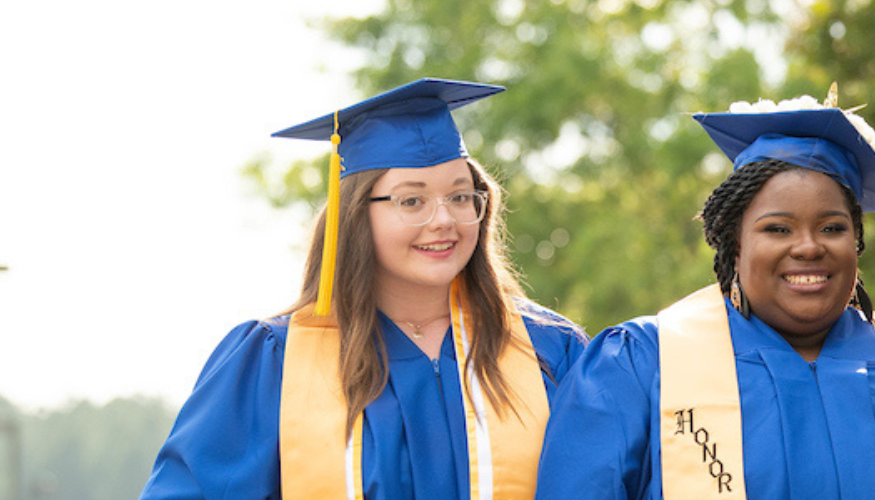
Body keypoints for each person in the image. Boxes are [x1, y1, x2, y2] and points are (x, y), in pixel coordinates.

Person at [535, 93, 875, 500]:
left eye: (832, 228)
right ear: (734, 245)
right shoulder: (641, 365)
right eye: (777, 228)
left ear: (857, 243)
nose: (808, 246)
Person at [140, 78, 587, 500]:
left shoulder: (549, 350)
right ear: (355, 215)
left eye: (460, 195)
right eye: (411, 200)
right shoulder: (276, 361)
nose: (444, 219)